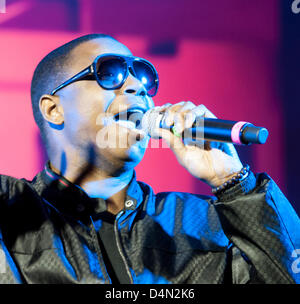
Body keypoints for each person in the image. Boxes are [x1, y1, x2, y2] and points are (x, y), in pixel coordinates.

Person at [0, 34, 299, 284]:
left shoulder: (206, 223)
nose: (137, 86)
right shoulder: (12, 213)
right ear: (54, 109)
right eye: (109, 72)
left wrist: (234, 184)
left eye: (142, 76)